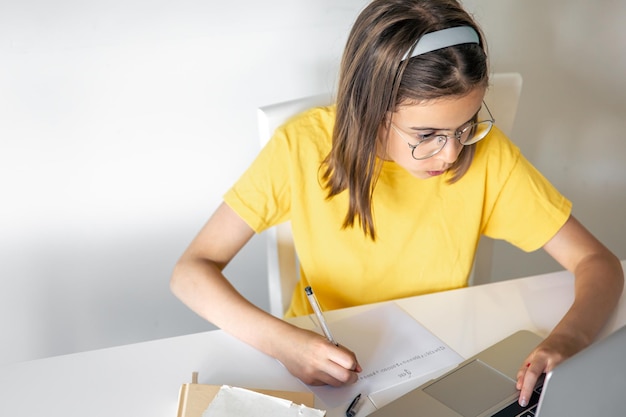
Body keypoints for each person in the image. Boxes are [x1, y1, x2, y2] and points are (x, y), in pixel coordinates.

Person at [170, 0, 624, 408]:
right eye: (427, 135)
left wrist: (567, 340)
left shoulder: (487, 156)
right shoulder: (302, 148)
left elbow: (598, 263)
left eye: (466, 125)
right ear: (370, 108)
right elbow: (191, 272)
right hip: (326, 372)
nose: (451, 154)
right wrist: (282, 343)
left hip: (443, 364)